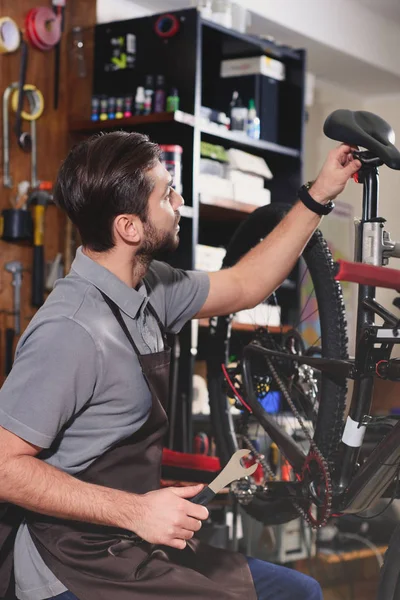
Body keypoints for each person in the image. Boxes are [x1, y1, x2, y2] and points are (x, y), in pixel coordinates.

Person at [0, 131, 360, 600]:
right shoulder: (71, 330)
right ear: (129, 228)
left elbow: (246, 283)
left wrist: (318, 194)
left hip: (133, 542)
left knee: (300, 592)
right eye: (167, 193)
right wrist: (136, 512)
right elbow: (4, 467)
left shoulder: (151, 288)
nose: (180, 199)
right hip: (70, 562)